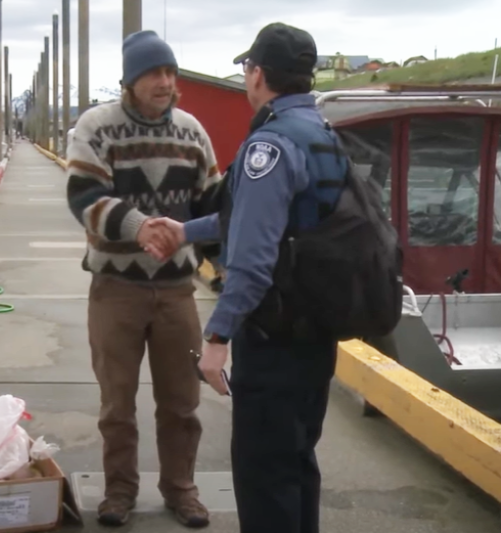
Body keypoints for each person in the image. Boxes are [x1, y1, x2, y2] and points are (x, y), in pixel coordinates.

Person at [145, 22, 350, 533]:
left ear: (258, 74)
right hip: (316, 332)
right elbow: (269, 220)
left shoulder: (270, 147)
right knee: (298, 465)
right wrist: (185, 229)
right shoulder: (324, 136)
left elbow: (255, 256)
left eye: (246, 69)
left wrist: (218, 338)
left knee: (264, 478)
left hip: (275, 339)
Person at [65, 29, 223, 529]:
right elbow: (84, 197)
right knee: (117, 402)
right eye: (153, 73)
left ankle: (181, 489)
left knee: (182, 400)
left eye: (170, 73)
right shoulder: (96, 127)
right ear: (131, 81)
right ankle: (119, 490)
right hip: (116, 290)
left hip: (178, 290)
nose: (165, 82)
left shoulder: (194, 132)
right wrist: (142, 228)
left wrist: (223, 268)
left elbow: (213, 205)